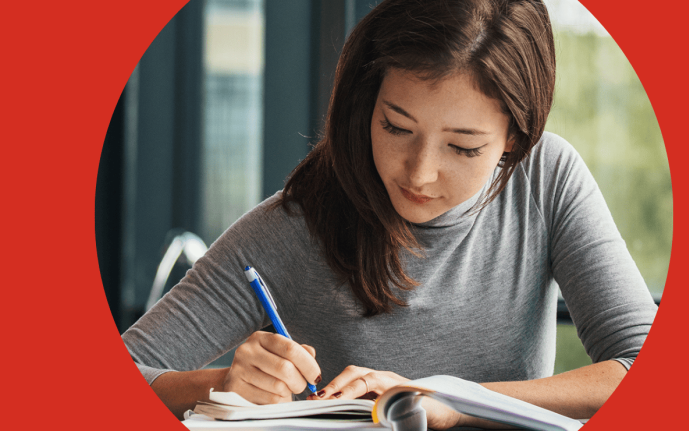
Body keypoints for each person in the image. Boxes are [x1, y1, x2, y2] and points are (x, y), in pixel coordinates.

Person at [122, 0, 658, 429]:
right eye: (397, 128)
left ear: (515, 139)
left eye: (464, 148)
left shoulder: (546, 179)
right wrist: (219, 385)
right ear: (365, 104)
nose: (419, 173)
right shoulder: (294, 226)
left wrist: (452, 399)